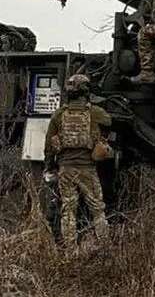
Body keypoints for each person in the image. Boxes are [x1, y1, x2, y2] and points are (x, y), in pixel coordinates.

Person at [45, 74, 112, 250]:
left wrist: (49, 167)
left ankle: (70, 250)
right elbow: (108, 120)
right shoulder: (95, 113)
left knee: (68, 209)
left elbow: (49, 146)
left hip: (66, 169)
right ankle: (105, 247)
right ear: (86, 92)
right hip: (87, 169)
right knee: (97, 209)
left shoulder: (59, 115)